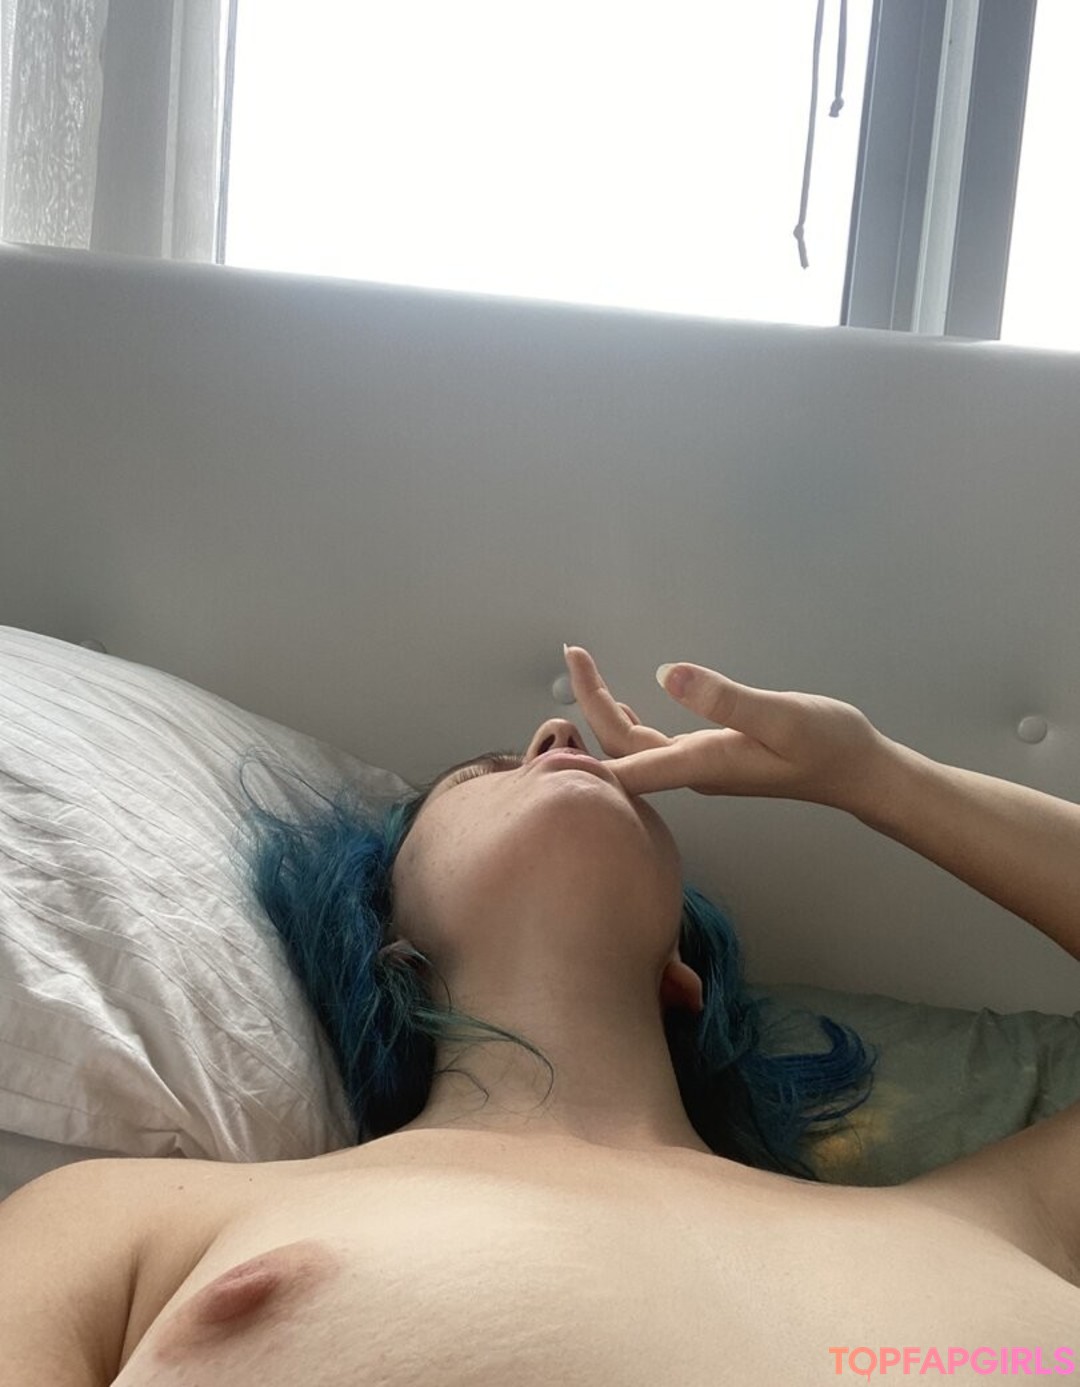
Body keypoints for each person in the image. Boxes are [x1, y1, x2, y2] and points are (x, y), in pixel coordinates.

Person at [5, 645, 1080, 1386]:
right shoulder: (131, 1219)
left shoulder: (990, 1218)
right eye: (482, 774)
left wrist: (876, 775)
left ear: (683, 974)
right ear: (391, 950)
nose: (559, 732)